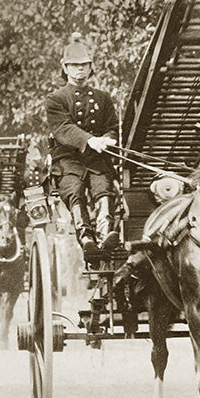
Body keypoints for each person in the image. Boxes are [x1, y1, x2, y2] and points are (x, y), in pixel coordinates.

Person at [45, 32, 121, 255]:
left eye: (84, 65)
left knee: (103, 188)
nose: (80, 70)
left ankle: (106, 233)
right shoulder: (55, 99)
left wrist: (107, 139)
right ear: (65, 68)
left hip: (97, 158)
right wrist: (90, 140)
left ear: (90, 67)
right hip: (68, 161)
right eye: (74, 65)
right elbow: (63, 129)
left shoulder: (103, 97)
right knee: (74, 189)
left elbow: (112, 126)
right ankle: (86, 237)